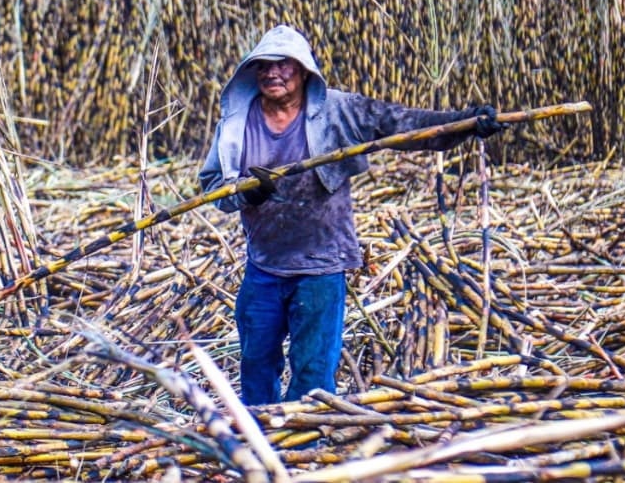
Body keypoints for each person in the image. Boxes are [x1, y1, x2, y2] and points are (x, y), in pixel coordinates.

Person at [198, 25, 505, 405]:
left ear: (303, 70)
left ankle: (305, 444)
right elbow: (212, 184)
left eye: (283, 66)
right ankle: (259, 440)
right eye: (263, 67)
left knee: (313, 373)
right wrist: (246, 191)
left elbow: (402, 124)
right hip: (264, 266)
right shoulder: (235, 125)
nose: (272, 74)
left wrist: (467, 122)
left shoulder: (336, 111)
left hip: (321, 267)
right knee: (256, 365)